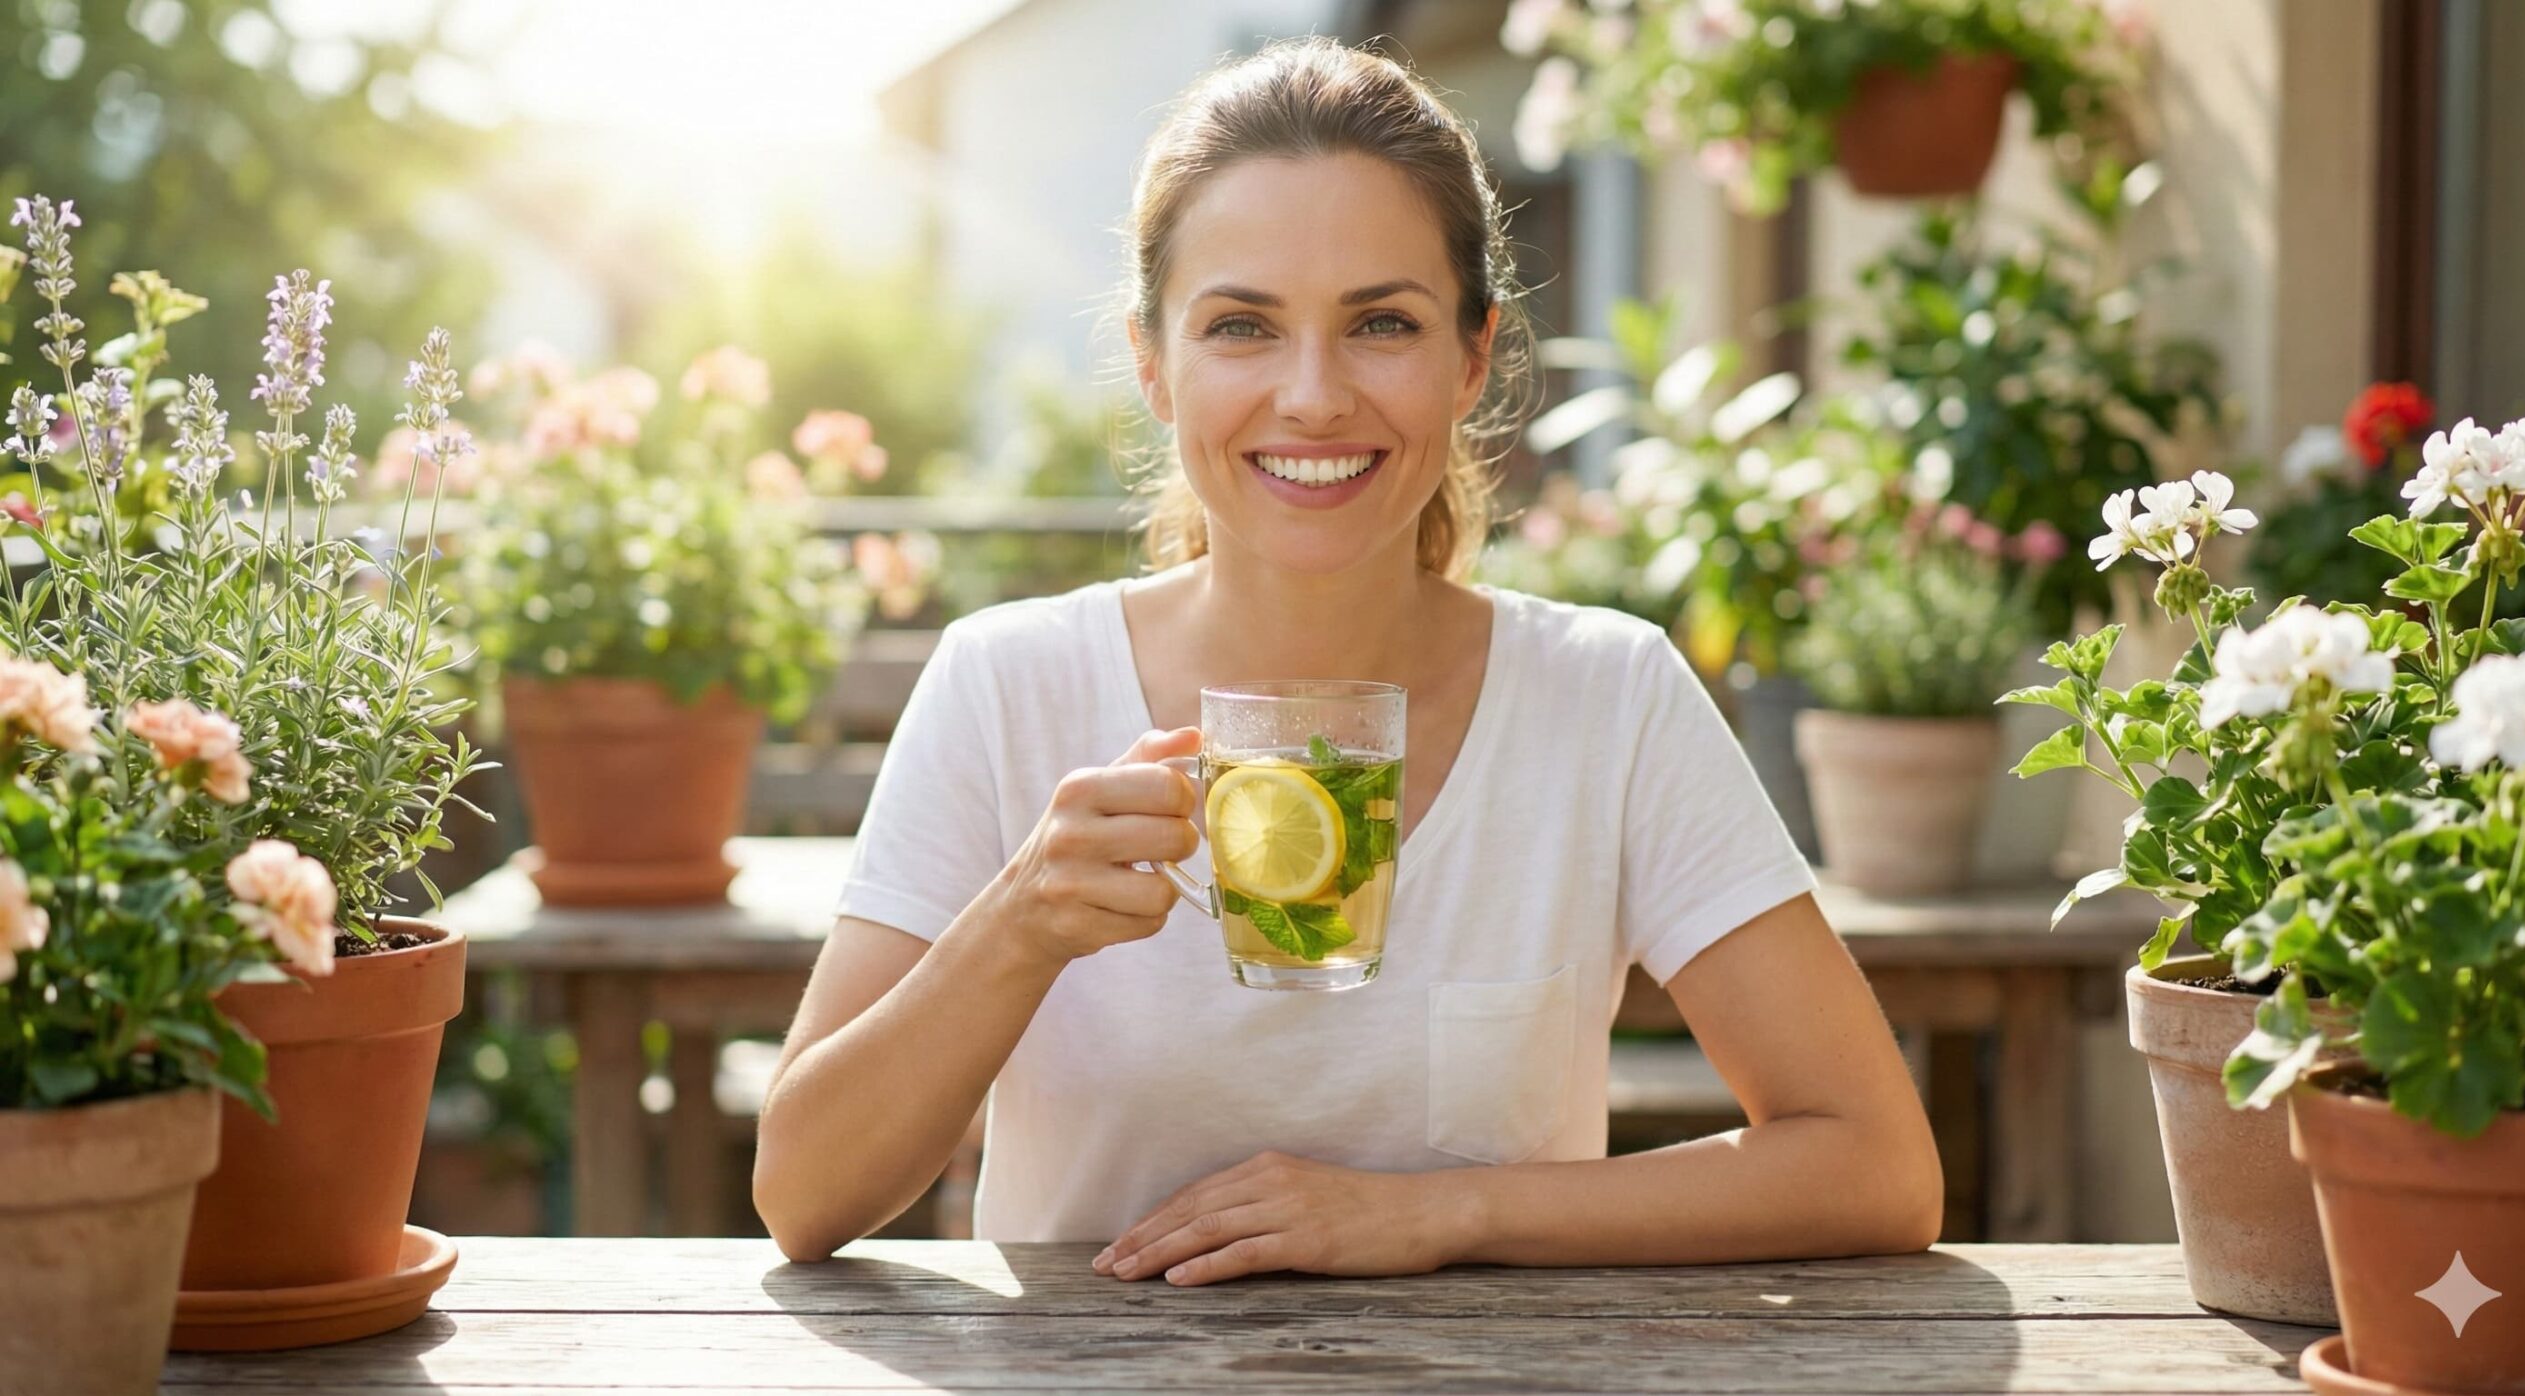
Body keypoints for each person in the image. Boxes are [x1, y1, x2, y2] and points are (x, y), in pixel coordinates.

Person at [755, 35, 1941, 1285]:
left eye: (1381, 322)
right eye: (1241, 327)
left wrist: (1443, 1215)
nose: (1313, 397)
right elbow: (803, 1195)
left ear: (1472, 358)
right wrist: (1015, 928)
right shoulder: (1009, 682)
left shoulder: (1608, 696)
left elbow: (1875, 1163)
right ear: (1155, 367)